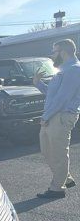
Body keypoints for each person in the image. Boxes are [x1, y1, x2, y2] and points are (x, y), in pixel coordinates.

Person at [33, 39, 80, 199]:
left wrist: (45, 116)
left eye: (53, 52)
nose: (51, 55)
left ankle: (57, 189)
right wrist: (38, 83)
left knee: (58, 152)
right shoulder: (62, 70)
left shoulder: (74, 70)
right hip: (53, 115)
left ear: (63, 52)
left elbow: (63, 99)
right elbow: (53, 94)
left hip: (61, 116)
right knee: (47, 150)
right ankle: (64, 177)